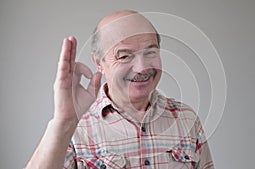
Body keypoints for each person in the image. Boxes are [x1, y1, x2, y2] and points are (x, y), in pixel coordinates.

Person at [26, 10, 214, 169]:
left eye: (150, 52)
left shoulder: (187, 119)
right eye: (124, 56)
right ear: (99, 63)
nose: (141, 68)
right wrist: (64, 122)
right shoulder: (74, 128)